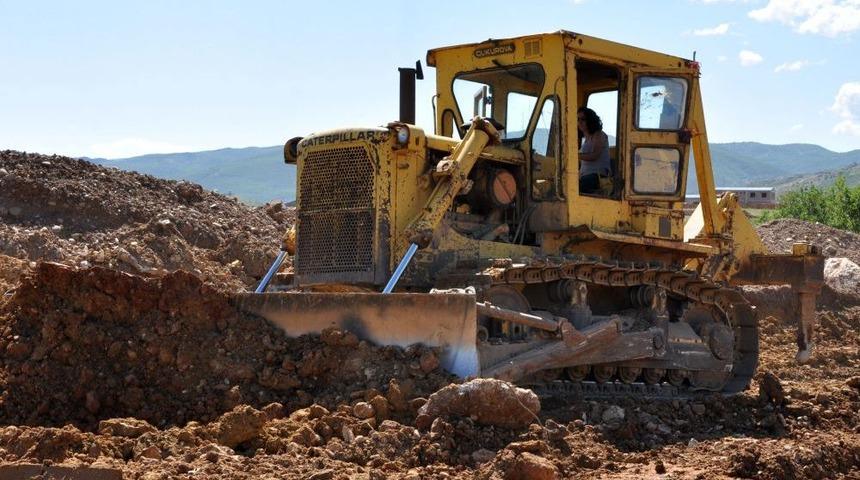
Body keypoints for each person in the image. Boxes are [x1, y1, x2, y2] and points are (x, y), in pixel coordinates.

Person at [577, 107, 611, 195]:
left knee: (573, 189)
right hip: (585, 176)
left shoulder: (599, 135)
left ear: (590, 120)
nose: (579, 122)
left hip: (597, 177)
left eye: (583, 119)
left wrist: (575, 155)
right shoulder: (586, 140)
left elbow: (594, 155)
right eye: (578, 119)